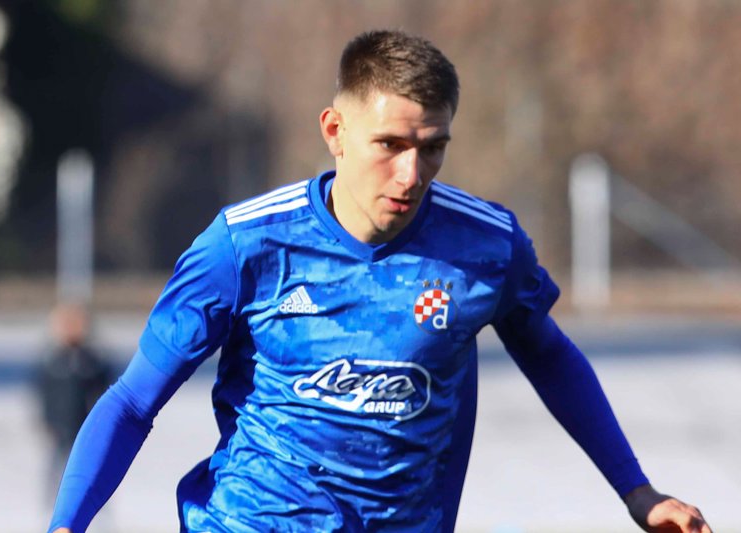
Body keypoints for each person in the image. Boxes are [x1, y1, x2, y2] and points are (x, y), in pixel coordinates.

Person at [48, 30, 710, 533]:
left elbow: (549, 354)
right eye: (390, 144)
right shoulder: (245, 245)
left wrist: (637, 491)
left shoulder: (486, 247)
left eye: (433, 148)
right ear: (335, 131)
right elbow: (132, 401)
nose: (411, 174)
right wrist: (66, 526)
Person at [36, 303, 112, 499]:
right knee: (58, 467)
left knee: (90, 467)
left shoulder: (92, 361)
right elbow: (44, 393)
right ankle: (54, 502)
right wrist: (48, 420)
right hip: (61, 425)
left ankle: (94, 499)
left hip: (85, 423)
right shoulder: (52, 361)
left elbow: (106, 391)